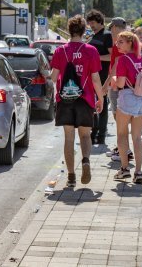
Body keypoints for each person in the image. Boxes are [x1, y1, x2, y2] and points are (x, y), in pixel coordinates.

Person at [48, 16, 103, 189]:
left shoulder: (60, 51)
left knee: (69, 138)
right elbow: (95, 79)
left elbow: (54, 77)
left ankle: (71, 177)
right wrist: (100, 98)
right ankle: (85, 160)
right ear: (84, 30)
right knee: (85, 135)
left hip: (65, 100)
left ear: (69, 30)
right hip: (85, 99)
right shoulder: (91, 50)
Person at [113, 31, 142, 183]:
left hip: (127, 97)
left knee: (122, 134)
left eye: (121, 41)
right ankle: (139, 172)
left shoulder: (123, 60)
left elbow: (120, 84)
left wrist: (113, 79)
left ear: (130, 43)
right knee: (137, 137)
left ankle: (125, 168)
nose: (117, 44)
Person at [85, 10, 112, 146]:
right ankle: (94, 132)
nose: (91, 26)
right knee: (94, 105)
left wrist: (96, 58)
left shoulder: (107, 35)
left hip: (102, 77)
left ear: (100, 21)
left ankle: (101, 135)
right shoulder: (93, 36)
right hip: (92, 77)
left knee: (102, 106)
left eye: (93, 23)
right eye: (89, 23)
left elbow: (112, 56)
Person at [105, 17, 129, 162]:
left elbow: (116, 66)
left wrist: (105, 84)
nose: (111, 31)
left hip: (117, 84)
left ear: (115, 27)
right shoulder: (124, 43)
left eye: (111, 28)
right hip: (122, 84)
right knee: (120, 118)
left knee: (119, 118)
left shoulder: (119, 43)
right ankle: (122, 148)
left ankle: (124, 150)